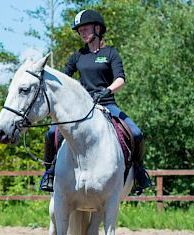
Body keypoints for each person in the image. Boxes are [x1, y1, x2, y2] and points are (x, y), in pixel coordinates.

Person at [40, 9, 152, 194]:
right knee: (51, 133)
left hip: (107, 103)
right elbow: (63, 79)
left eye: (85, 29)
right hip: (82, 108)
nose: (82, 33)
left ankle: (139, 174)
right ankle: (50, 173)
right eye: (79, 30)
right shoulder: (77, 56)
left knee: (136, 133)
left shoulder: (110, 53)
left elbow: (120, 79)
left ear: (98, 29)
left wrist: (106, 91)